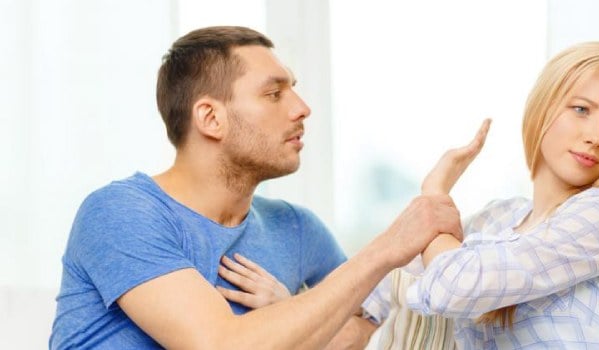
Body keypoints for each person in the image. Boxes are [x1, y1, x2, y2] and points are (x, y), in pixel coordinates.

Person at [49, 26, 462, 350]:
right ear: (211, 118)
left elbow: (369, 322)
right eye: (274, 93)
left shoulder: (296, 228)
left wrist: (288, 311)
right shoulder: (120, 213)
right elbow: (220, 344)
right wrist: (387, 248)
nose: (302, 108)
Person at [357, 41, 599, 349]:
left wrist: (435, 194)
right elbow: (385, 280)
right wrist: (359, 323)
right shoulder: (498, 218)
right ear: (543, 107)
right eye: (581, 109)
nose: (596, 137)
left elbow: (456, 285)